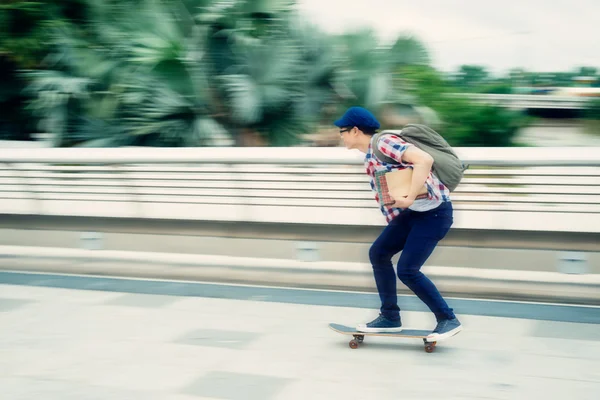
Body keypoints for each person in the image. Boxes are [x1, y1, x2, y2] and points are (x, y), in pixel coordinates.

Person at [334, 106, 462, 342]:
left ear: (354, 131)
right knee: (379, 253)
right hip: (413, 214)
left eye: (341, 131)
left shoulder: (383, 143)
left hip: (434, 214)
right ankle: (390, 317)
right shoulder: (371, 155)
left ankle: (447, 318)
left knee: (407, 270)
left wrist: (411, 196)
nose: (340, 135)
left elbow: (424, 159)